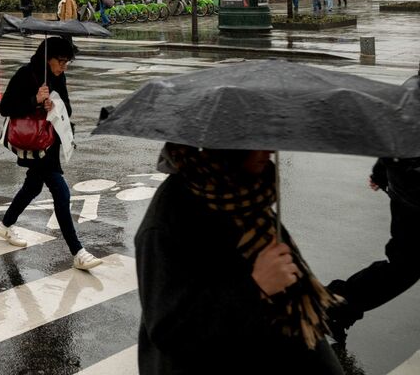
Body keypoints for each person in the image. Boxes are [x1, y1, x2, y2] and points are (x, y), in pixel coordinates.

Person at [136, 144, 343, 372]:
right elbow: (170, 331)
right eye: (258, 141)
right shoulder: (168, 221)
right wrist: (255, 287)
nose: (271, 150)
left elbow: (293, 305)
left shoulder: (247, 194)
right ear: (227, 146)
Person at [0, 36, 102, 270]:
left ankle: (5, 225)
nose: (64, 66)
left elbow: (68, 108)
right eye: (61, 61)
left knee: (33, 187)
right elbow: (5, 107)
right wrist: (34, 99)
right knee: (61, 192)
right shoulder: (26, 74)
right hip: (35, 144)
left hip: (51, 142)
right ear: (48, 58)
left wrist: (53, 104)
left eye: (67, 62)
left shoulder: (57, 76)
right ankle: (78, 252)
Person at [326, 150, 420, 344]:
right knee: (406, 265)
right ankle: (334, 305)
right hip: (412, 191)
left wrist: (382, 170)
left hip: (408, 186)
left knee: (406, 265)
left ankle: (336, 305)